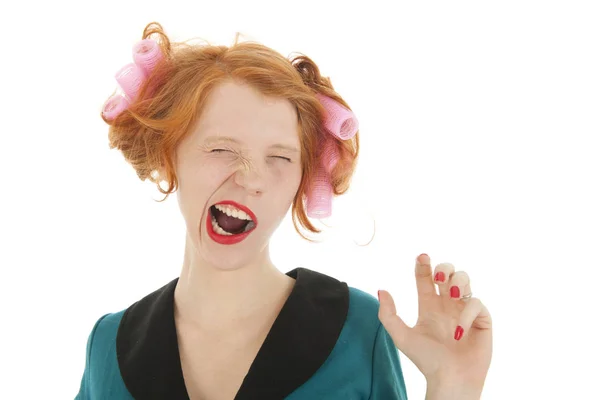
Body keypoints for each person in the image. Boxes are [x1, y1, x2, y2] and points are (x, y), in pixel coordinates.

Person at [76, 22, 493, 400]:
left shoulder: (356, 329)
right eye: (222, 148)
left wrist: (453, 389)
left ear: (303, 181)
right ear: (170, 157)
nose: (251, 177)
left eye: (280, 157)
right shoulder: (109, 344)